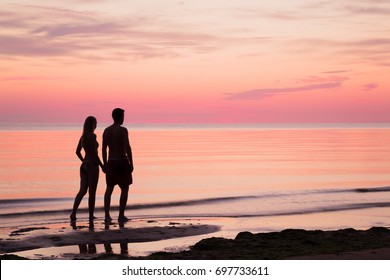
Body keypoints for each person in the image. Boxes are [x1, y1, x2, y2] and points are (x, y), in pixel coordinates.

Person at [70, 116, 105, 221]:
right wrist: (102, 166)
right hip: (92, 166)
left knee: (82, 191)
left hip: (84, 166)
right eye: (96, 122)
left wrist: (83, 161)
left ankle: (73, 213)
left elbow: (77, 151)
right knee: (92, 193)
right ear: (92, 124)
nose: (97, 124)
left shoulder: (83, 136)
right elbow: (94, 154)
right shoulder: (93, 136)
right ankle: (90, 216)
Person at [102, 108, 134, 223]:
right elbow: (128, 147)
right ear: (120, 117)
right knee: (124, 189)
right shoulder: (123, 130)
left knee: (109, 189)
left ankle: (107, 215)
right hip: (121, 161)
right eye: (123, 116)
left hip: (111, 161)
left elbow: (104, 149)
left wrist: (105, 163)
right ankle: (121, 215)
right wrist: (131, 162)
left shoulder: (106, 131)